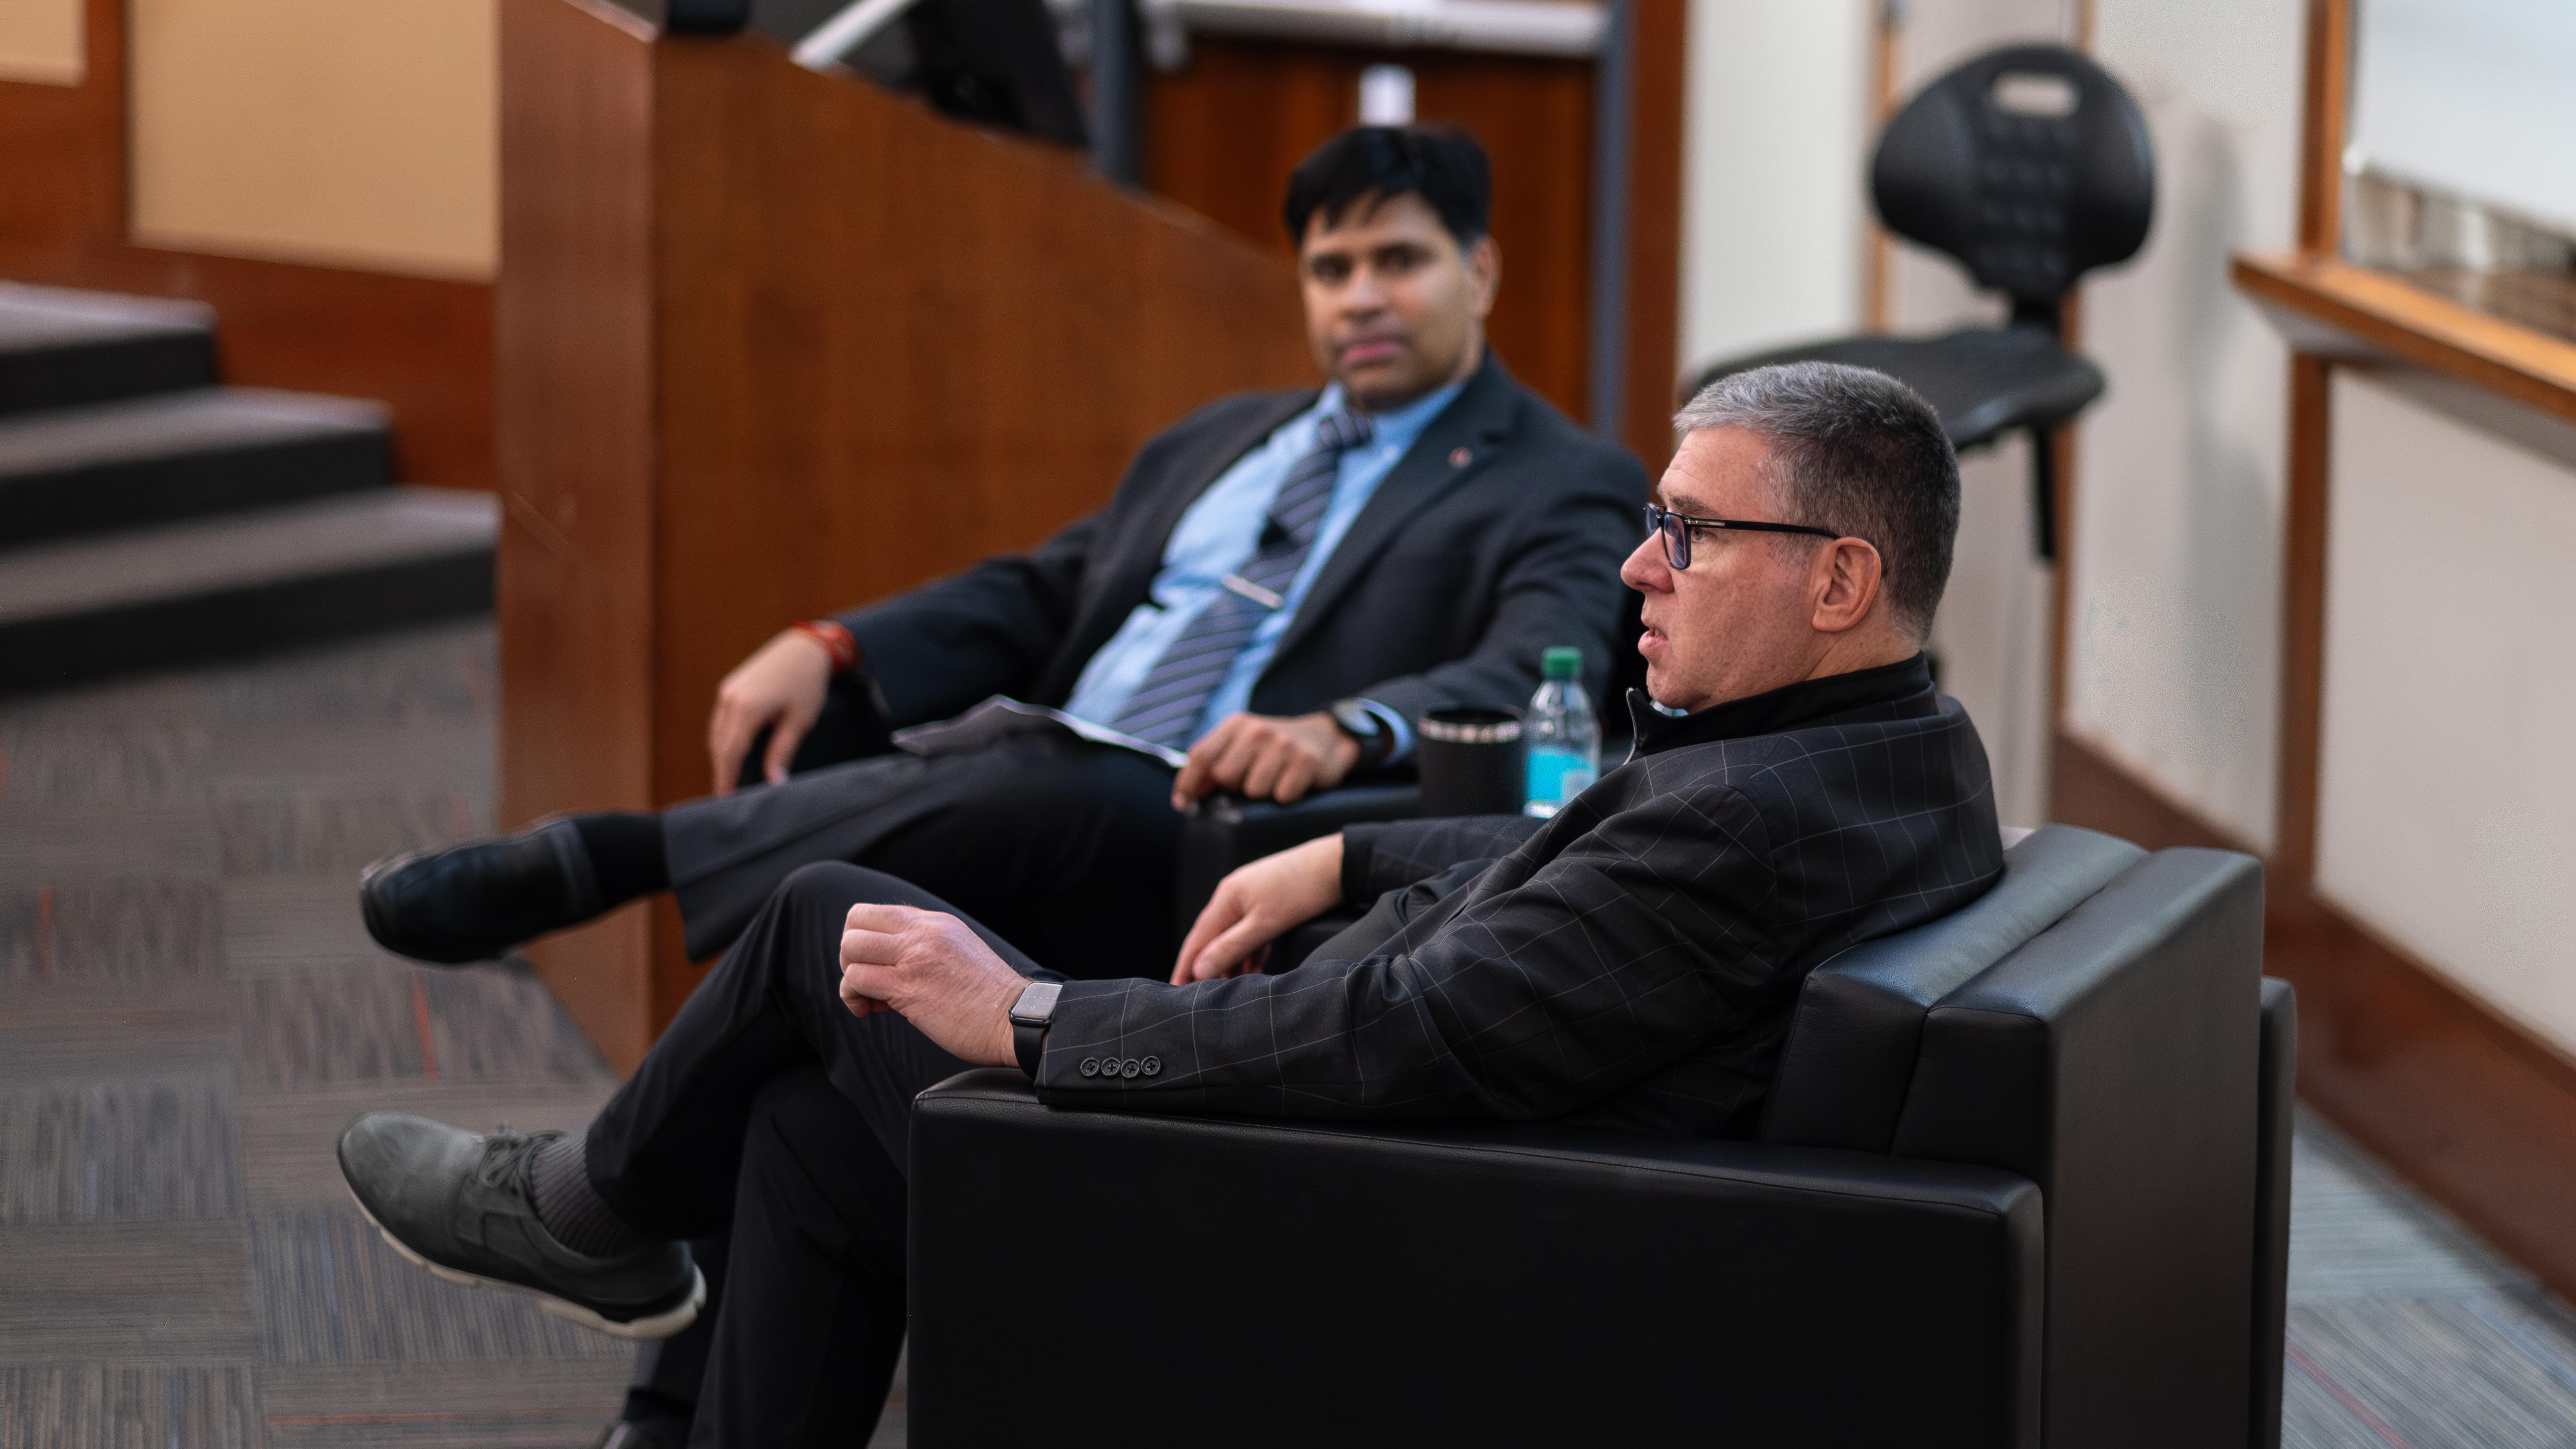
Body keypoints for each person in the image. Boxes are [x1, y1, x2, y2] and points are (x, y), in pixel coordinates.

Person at [337, 361, 2002, 1447]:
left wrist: (1030, 1019)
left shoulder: (1747, 817)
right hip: (1377, 1172)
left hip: (1330, 1235)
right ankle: (612, 1227)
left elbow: (1398, 1032)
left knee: (827, 923)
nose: (1638, 567)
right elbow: (1573, 881)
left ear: (1837, 578)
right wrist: (1349, 856)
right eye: (1651, 524)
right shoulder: (1890, 750)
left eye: (1688, 535)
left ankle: (588, 1209)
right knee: (805, 1126)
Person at [357, 124, 1643, 984]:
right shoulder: (1221, 439)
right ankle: (662, 1340)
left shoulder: (1562, 476)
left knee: (1045, 775)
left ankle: (612, 858)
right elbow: (1045, 592)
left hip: (1222, 835)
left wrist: (1347, 726)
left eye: (1400, 261)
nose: (1361, 295)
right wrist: (834, 643)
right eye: (1332, 267)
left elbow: (1554, 662)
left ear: (1479, 272)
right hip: (1024, 773)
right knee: (826, 940)